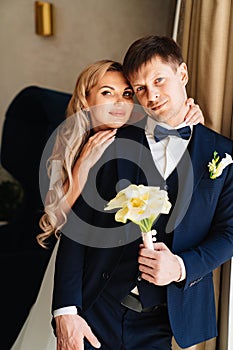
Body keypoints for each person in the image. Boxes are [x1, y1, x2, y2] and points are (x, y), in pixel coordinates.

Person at [51, 36, 233, 350]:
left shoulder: (223, 153)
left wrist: (181, 266)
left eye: (159, 80)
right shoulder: (112, 141)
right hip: (96, 308)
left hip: (165, 319)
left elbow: (229, 232)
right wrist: (65, 310)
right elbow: (78, 227)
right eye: (140, 89)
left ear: (183, 75)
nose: (152, 95)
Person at [11, 57, 203, 350]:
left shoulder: (141, 136)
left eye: (127, 93)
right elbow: (57, 221)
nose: (119, 101)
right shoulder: (69, 143)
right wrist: (82, 169)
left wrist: (190, 120)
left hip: (123, 278)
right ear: (86, 100)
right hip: (75, 267)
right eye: (106, 92)